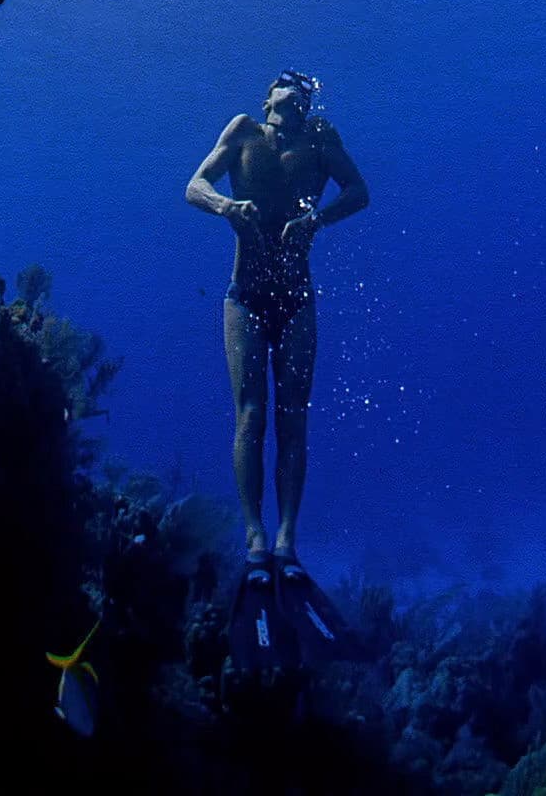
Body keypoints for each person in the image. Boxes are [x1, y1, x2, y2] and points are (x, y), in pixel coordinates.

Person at [186, 69, 369, 670]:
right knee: (250, 415)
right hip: (244, 294)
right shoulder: (242, 131)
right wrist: (225, 205)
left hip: (297, 298)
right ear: (266, 101)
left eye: (296, 95)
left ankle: (287, 538)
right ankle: (255, 538)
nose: (286, 99)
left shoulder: (321, 141)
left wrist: (320, 218)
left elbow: (359, 191)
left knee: (293, 418)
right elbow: (194, 185)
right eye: (279, 92)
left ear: (305, 106)